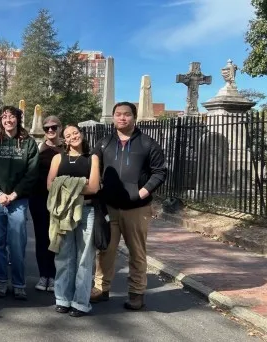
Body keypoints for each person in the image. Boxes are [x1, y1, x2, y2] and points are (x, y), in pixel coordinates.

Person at [91, 102, 167, 310]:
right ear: (113, 117)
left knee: (137, 252)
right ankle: (101, 288)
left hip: (137, 209)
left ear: (134, 117)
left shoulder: (147, 143)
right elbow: (92, 168)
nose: (122, 118)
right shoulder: (103, 143)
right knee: (106, 250)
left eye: (126, 115)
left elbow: (159, 172)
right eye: (118, 114)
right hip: (110, 208)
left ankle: (136, 293)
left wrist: (141, 192)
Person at [0, 106, 39, 300]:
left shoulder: (28, 144)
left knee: (16, 243)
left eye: (12, 117)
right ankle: (0, 281)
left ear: (18, 119)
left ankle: (18, 284)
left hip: (18, 201)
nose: (8, 120)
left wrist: (14, 194)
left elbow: (32, 173)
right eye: (4, 117)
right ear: (0, 120)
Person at [46, 124, 100, 317]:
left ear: (82, 134)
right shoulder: (58, 158)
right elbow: (51, 184)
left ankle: (80, 302)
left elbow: (93, 188)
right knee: (64, 256)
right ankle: (63, 298)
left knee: (84, 258)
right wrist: (79, 185)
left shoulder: (92, 158)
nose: (73, 137)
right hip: (63, 212)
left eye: (75, 133)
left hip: (87, 210)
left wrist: (66, 185)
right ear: (64, 140)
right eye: (68, 135)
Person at [29, 115, 65, 292]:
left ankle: (56, 274)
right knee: (42, 237)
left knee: (59, 238)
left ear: (60, 128)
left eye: (54, 127)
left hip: (61, 200)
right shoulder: (37, 148)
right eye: (47, 128)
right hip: (39, 198)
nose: (50, 130)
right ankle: (44, 275)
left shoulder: (66, 148)